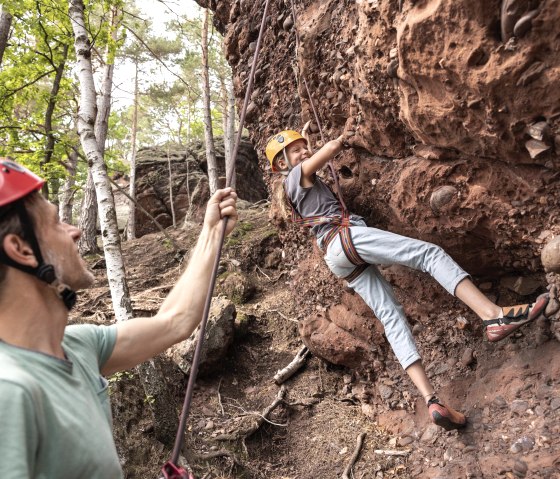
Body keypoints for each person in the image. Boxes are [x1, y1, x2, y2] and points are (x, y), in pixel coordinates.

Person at [264, 127, 550, 431]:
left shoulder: (299, 189)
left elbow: (314, 165)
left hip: (337, 255)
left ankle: (431, 400)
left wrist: (309, 143)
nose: (303, 152)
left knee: (391, 317)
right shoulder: (294, 177)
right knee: (429, 255)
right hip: (344, 239)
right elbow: (326, 154)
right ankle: (493, 316)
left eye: (304, 146)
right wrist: (341, 138)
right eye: (295, 150)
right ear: (282, 163)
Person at [0, 159, 238, 478]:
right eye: (57, 223)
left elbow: (175, 321)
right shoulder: (10, 392)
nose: (75, 231)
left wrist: (210, 234)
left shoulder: (78, 347)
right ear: (22, 250)